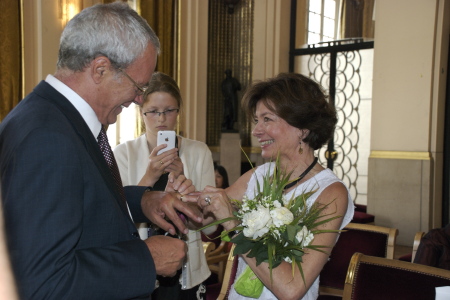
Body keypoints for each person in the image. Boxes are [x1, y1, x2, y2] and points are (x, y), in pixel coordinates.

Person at [0, 3, 202, 299]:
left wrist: (142, 201)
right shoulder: (47, 137)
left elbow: (78, 202)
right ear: (100, 69)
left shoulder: (56, 118)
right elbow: (42, 283)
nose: (137, 100)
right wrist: (147, 259)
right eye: (137, 86)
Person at [186, 73, 354, 300]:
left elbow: (292, 288)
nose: (256, 131)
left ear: (302, 127)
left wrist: (233, 225)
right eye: (257, 120)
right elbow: (202, 219)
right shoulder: (259, 175)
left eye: (267, 119)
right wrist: (182, 195)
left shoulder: (331, 193)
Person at [114, 72, 215, 299]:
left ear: (179, 111)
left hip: (186, 267)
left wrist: (183, 182)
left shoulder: (199, 152)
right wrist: (150, 176)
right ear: (142, 113)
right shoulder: (123, 154)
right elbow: (117, 219)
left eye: (169, 111)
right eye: (153, 112)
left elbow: (209, 227)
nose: (161, 119)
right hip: (142, 265)